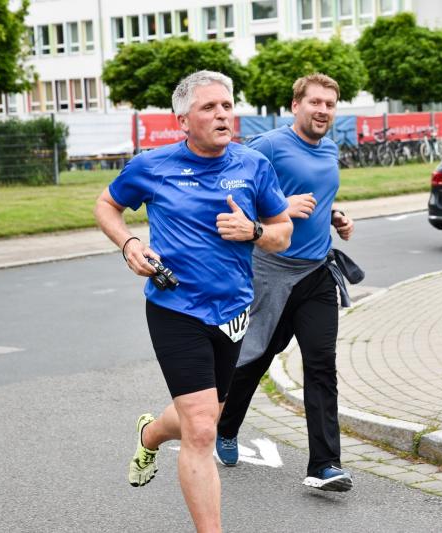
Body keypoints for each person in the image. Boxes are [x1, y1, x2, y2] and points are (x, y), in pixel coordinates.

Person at [94, 70, 292, 532]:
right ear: (183, 120)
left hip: (234, 311)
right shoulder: (152, 166)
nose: (222, 115)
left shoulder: (253, 166)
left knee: (203, 418)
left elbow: (283, 233)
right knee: (202, 429)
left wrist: (254, 231)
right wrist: (128, 243)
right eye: (209, 107)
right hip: (175, 308)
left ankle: (151, 433)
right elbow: (106, 205)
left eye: (226, 106)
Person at [214, 73, 359, 492]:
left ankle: (325, 465)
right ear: (296, 105)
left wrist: (335, 216)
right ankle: (226, 427)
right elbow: (230, 193)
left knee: (321, 364)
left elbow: (318, 194)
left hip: (316, 273)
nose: (323, 110)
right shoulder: (269, 146)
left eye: (329, 104)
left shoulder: (329, 147)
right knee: (254, 357)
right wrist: (280, 207)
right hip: (271, 273)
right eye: (315, 102)